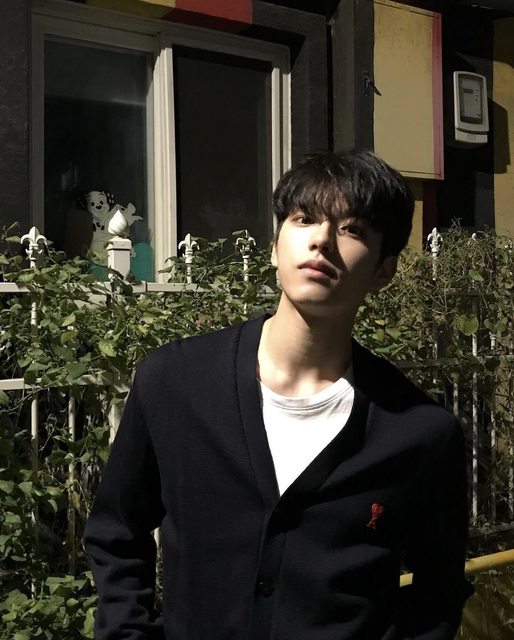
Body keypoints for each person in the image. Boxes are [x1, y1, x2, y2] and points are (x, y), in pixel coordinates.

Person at [84, 149, 472, 640]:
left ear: (383, 270)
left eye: (352, 229)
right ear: (274, 246)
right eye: (304, 219)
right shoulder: (175, 382)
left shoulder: (419, 432)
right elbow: (117, 531)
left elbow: (437, 593)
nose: (322, 240)